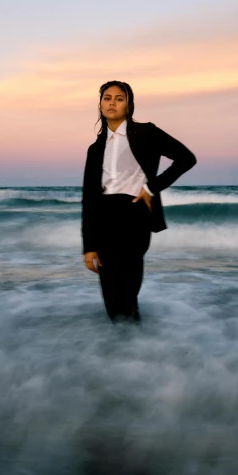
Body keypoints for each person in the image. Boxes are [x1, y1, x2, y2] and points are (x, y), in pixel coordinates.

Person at [81, 80, 197, 322]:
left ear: (129, 105)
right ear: (100, 104)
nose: (112, 102)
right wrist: (88, 245)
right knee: (108, 283)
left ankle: (134, 330)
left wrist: (151, 188)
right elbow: (89, 199)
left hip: (135, 212)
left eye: (119, 98)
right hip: (104, 216)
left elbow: (186, 158)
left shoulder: (147, 133)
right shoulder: (95, 148)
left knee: (128, 280)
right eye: (107, 98)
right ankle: (117, 338)